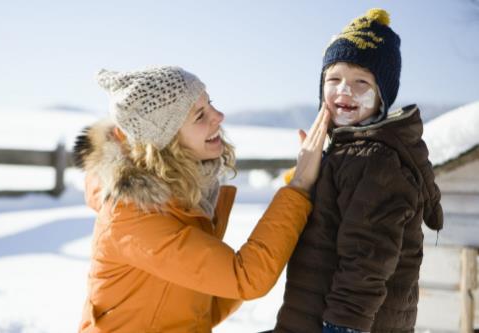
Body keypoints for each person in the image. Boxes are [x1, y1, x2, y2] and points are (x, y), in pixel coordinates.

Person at [73, 65, 330, 333]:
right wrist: (299, 186)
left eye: (211, 104)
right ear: (164, 141)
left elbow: (205, 305)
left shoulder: (184, 195)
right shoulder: (134, 220)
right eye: (200, 115)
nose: (219, 116)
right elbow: (246, 277)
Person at [271, 8, 444, 333]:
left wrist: (343, 326)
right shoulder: (346, 151)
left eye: (360, 81)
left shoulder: (374, 160)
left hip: (349, 322)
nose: (344, 90)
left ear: (382, 96)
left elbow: (369, 256)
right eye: (333, 79)